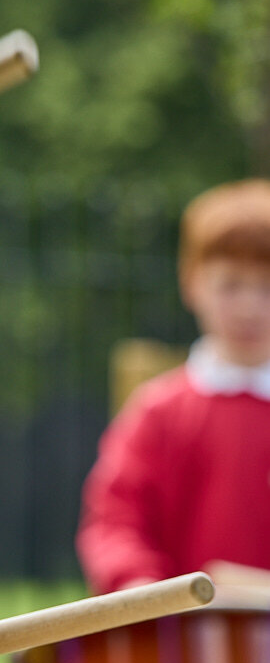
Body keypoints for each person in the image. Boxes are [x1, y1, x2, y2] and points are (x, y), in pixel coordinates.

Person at [79, 179, 270, 592]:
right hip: (181, 645)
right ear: (191, 283)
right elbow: (116, 522)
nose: (250, 306)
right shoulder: (159, 411)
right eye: (231, 284)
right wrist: (142, 589)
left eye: (267, 286)